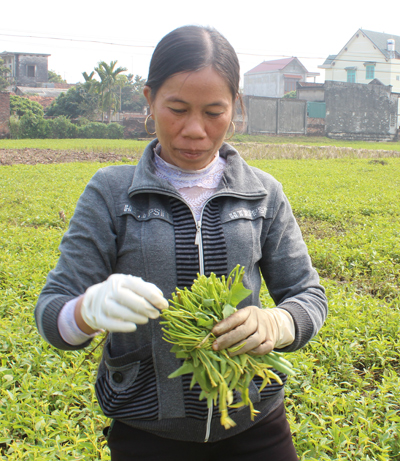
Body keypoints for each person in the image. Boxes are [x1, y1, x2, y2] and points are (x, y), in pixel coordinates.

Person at [35, 25, 328, 461]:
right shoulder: (112, 193)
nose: (195, 129)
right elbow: (51, 308)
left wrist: (278, 323)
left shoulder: (263, 193)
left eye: (214, 112)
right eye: (177, 108)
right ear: (149, 100)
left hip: (255, 422)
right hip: (148, 432)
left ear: (236, 107)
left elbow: (308, 295)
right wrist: (84, 311)